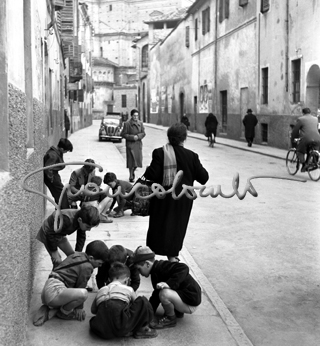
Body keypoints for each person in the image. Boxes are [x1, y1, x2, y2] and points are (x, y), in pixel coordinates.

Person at [143, 123, 209, 262]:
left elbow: (151, 175)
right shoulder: (191, 156)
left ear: (169, 137)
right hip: (182, 200)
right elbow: (204, 178)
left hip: (162, 198)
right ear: (184, 138)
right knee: (177, 226)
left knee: (157, 225)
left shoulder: (160, 153)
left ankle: (151, 256)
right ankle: (172, 257)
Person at [33, 240, 109, 327]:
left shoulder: (78, 254)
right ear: (91, 258)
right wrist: (79, 308)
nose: (100, 266)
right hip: (54, 292)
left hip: (49, 287)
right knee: (83, 294)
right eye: (99, 263)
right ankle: (63, 312)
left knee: (73, 292)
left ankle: (51, 309)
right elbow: (81, 286)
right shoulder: (87, 267)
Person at [132, 246, 201, 329]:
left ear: (147, 264)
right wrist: (148, 311)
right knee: (161, 292)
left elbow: (184, 268)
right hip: (186, 299)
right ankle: (178, 311)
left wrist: (169, 284)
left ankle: (170, 319)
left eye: (139, 269)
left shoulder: (162, 266)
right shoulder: (155, 272)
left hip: (191, 303)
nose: (139, 273)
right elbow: (156, 295)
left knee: (164, 293)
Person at [90, 262, 157, 339]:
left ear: (109, 279)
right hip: (121, 327)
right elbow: (138, 306)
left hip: (101, 329)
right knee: (143, 301)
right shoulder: (128, 289)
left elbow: (93, 310)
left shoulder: (101, 290)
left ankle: (117, 329)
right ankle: (142, 329)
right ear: (127, 281)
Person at [36, 204, 101, 267]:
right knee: (57, 261)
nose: (89, 230)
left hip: (59, 234)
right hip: (48, 233)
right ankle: (54, 276)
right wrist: (54, 252)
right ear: (79, 220)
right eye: (87, 227)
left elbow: (81, 237)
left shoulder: (83, 219)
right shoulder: (66, 220)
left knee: (72, 256)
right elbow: (50, 233)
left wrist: (77, 253)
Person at [43, 138, 73, 209]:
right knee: (61, 196)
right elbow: (48, 168)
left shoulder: (57, 152)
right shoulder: (53, 155)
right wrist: (52, 179)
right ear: (62, 149)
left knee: (61, 195)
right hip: (52, 178)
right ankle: (63, 211)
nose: (66, 152)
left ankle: (60, 211)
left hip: (54, 176)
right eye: (66, 151)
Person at [291, 107, 320, 172]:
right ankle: (312, 162)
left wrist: (293, 139)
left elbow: (295, 130)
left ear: (303, 113)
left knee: (299, 151)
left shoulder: (301, 119)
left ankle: (304, 164)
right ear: (310, 112)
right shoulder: (315, 119)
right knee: (311, 150)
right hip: (317, 138)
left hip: (306, 138)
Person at [120, 109, 146, 182]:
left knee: (137, 161)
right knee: (131, 162)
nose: (136, 117)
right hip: (130, 145)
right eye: (134, 115)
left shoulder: (140, 123)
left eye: (137, 115)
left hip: (138, 145)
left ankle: (133, 172)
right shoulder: (127, 124)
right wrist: (132, 137)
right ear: (131, 116)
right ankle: (131, 175)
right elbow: (123, 134)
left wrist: (138, 136)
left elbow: (143, 133)